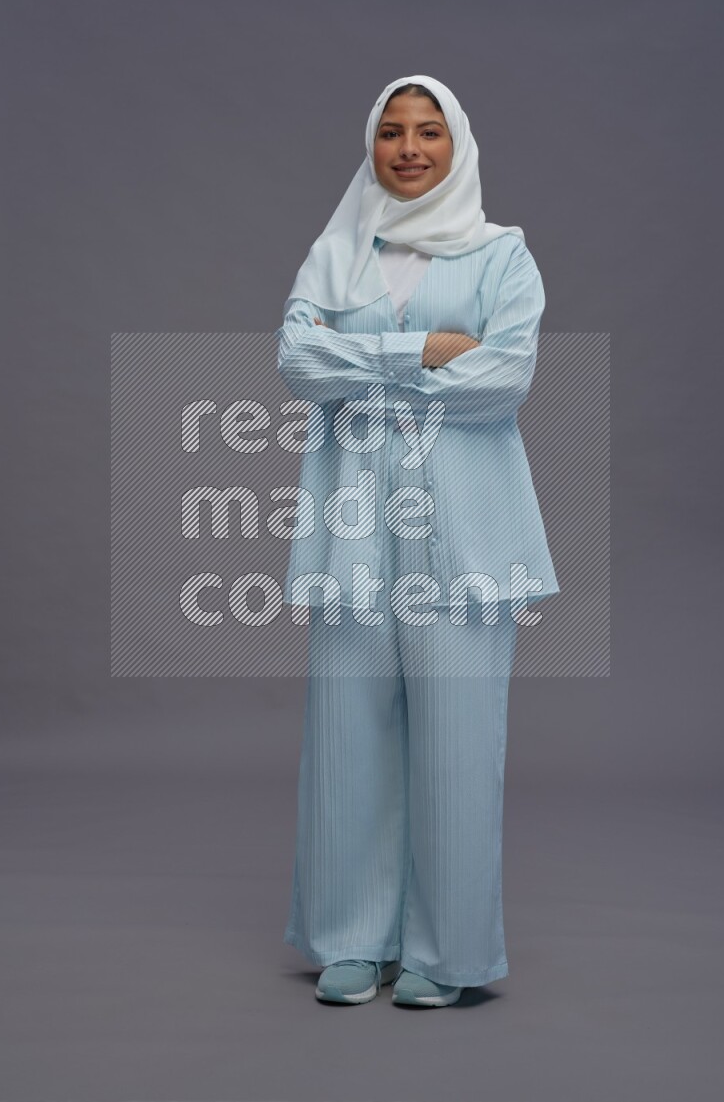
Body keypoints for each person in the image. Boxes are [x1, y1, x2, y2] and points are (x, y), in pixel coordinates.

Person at [275, 74, 559, 1007]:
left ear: (456, 143)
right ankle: (353, 938)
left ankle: (445, 954)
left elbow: (503, 377)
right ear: (371, 144)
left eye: (428, 132)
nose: (408, 148)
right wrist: (420, 351)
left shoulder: (501, 256)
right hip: (353, 534)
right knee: (347, 736)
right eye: (391, 132)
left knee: (458, 744)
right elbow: (296, 364)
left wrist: (370, 365)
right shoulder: (334, 254)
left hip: (467, 539)